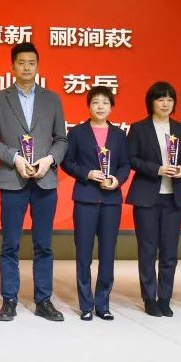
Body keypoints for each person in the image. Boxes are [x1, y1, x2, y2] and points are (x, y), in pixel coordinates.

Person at [0, 42, 68, 322]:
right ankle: (9, 300)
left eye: (31, 63)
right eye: (21, 63)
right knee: (10, 244)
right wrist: (15, 158)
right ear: (12, 67)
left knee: (43, 245)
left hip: (45, 180)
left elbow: (61, 139)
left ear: (38, 66)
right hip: (13, 179)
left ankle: (43, 300)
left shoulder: (52, 99)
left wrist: (49, 160)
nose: (26, 67)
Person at [60, 86, 130, 321]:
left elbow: (125, 165)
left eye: (105, 102)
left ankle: (103, 303)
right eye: (96, 102)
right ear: (88, 106)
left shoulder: (119, 135)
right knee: (84, 254)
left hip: (111, 201)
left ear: (112, 107)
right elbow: (67, 162)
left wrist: (117, 180)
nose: (100, 107)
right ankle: (86, 305)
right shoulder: (77, 133)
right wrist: (87, 173)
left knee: (108, 253)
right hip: (86, 199)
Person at [125, 81, 181, 317]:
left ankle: (164, 298)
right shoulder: (139, 128)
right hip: (147, 197)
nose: (165, 103)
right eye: (160, 99)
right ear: (151, 102)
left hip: (173, 198)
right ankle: (149, 298)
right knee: (147, 250)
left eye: (169, 99)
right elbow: (131, 159)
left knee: (170, 251)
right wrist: (157, 169)